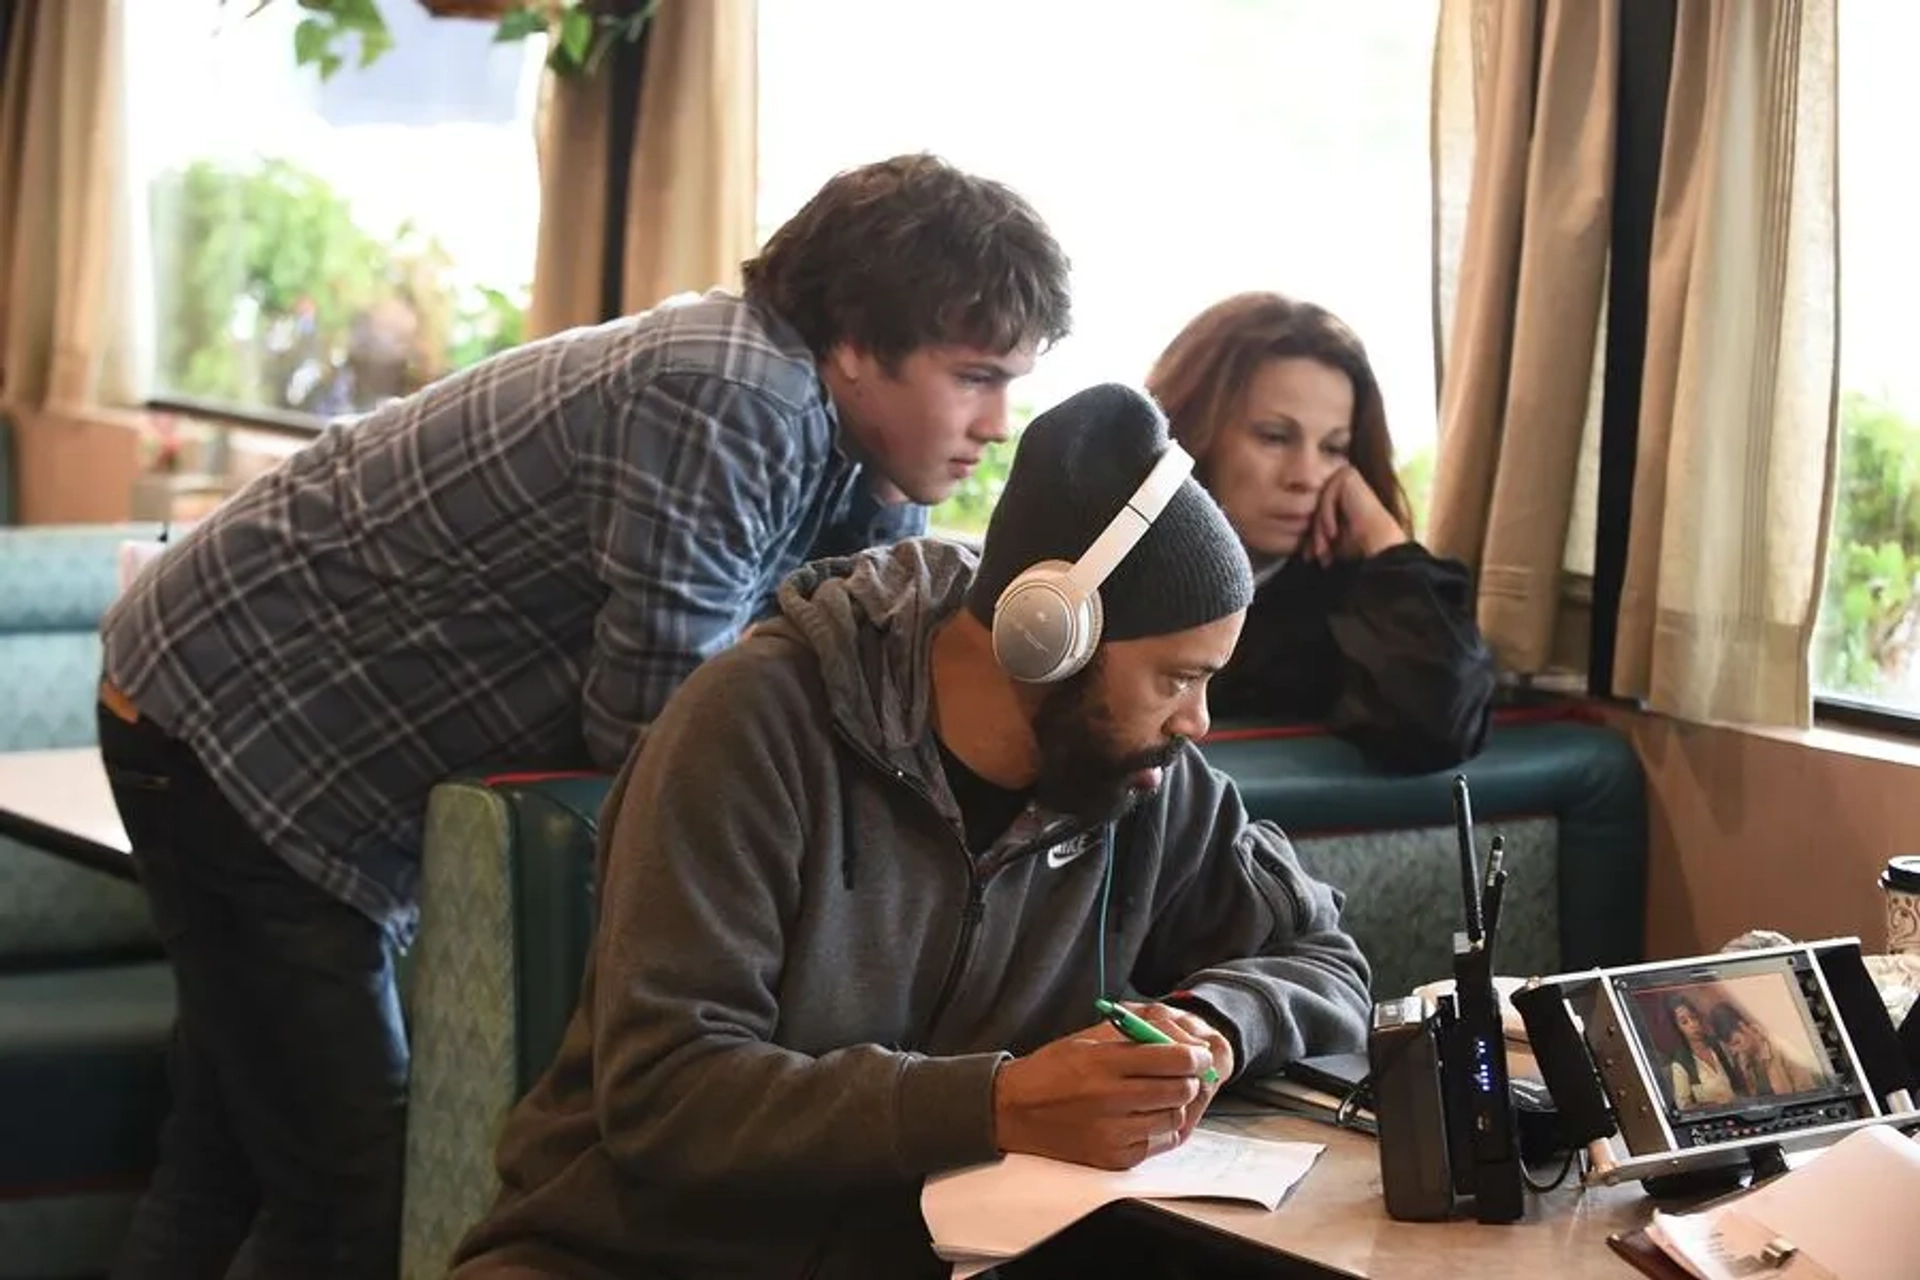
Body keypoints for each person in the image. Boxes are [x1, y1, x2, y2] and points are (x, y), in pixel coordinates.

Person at [93, 153, 1072, 1280]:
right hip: (230, 727)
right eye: (976, 377)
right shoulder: (730, 393)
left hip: (237, 717)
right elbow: (660, 720)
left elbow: (828, 673)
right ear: (854, 345)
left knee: (231, 1154)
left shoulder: (847, 441)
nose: (1000, 420)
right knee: (351, 1194)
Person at [449, 383, 1372, 1279]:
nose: (1198, 721)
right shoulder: (750, 727)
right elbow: (667, 1094)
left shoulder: (1147, 782)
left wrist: (1214, 1027)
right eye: (1176, 678)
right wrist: (995, 1103)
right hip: (623, 1258)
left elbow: (1325, 958)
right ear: (1047, 637)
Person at [1145, 291, 1496, 772]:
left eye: (1333, 449)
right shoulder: (1118, 581)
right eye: (1274, 437)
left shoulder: (1361, 605)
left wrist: (1385, 541)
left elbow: (1437, 723)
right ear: (1194, 433)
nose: (1307, 475)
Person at [1709, 1002, 1821, 1097]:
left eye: (1737, 1042)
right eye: (1731, 1048)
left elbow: (1807, 1095)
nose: (1737, 1051)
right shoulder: (1742, 1060)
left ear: (1744, 1027)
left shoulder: (1783, 1050)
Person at [1659, 992, 1737, 1109]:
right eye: (1684, 1022)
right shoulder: (1681, 1063)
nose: (1693, 1025)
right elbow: (1684, 1107)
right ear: (1678, 1028)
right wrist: (1711, 1106)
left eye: (1694, 1017)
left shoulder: (1719, 1045)